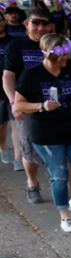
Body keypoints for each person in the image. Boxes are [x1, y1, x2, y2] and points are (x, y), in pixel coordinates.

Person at [13, 33, 71, 233]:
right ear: (50, 54)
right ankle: (65, 216)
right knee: (59, 175)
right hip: (47, 136)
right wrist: (41, 106)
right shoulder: (31, 74)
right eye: (64, 55)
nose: (68, 58)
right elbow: (19, 104)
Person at [3, 6, 54, 201]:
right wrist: (13, 102)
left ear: (50, 26)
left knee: (58, 145)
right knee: (29, 148)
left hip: (54, 104)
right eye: (36, 22)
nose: (40, 27)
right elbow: (8, 77)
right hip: (26, 105)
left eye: (44, 23)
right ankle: (32, 182)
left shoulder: (55, 44)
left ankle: (59, 182)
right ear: (27, 24)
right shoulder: (15, 46)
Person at [0, 12, 14, 165]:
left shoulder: (12, 42)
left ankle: (19, 156)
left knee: (16, 121)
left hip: (12, 86)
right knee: (1, 124)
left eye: (1, 20)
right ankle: (2, 148)